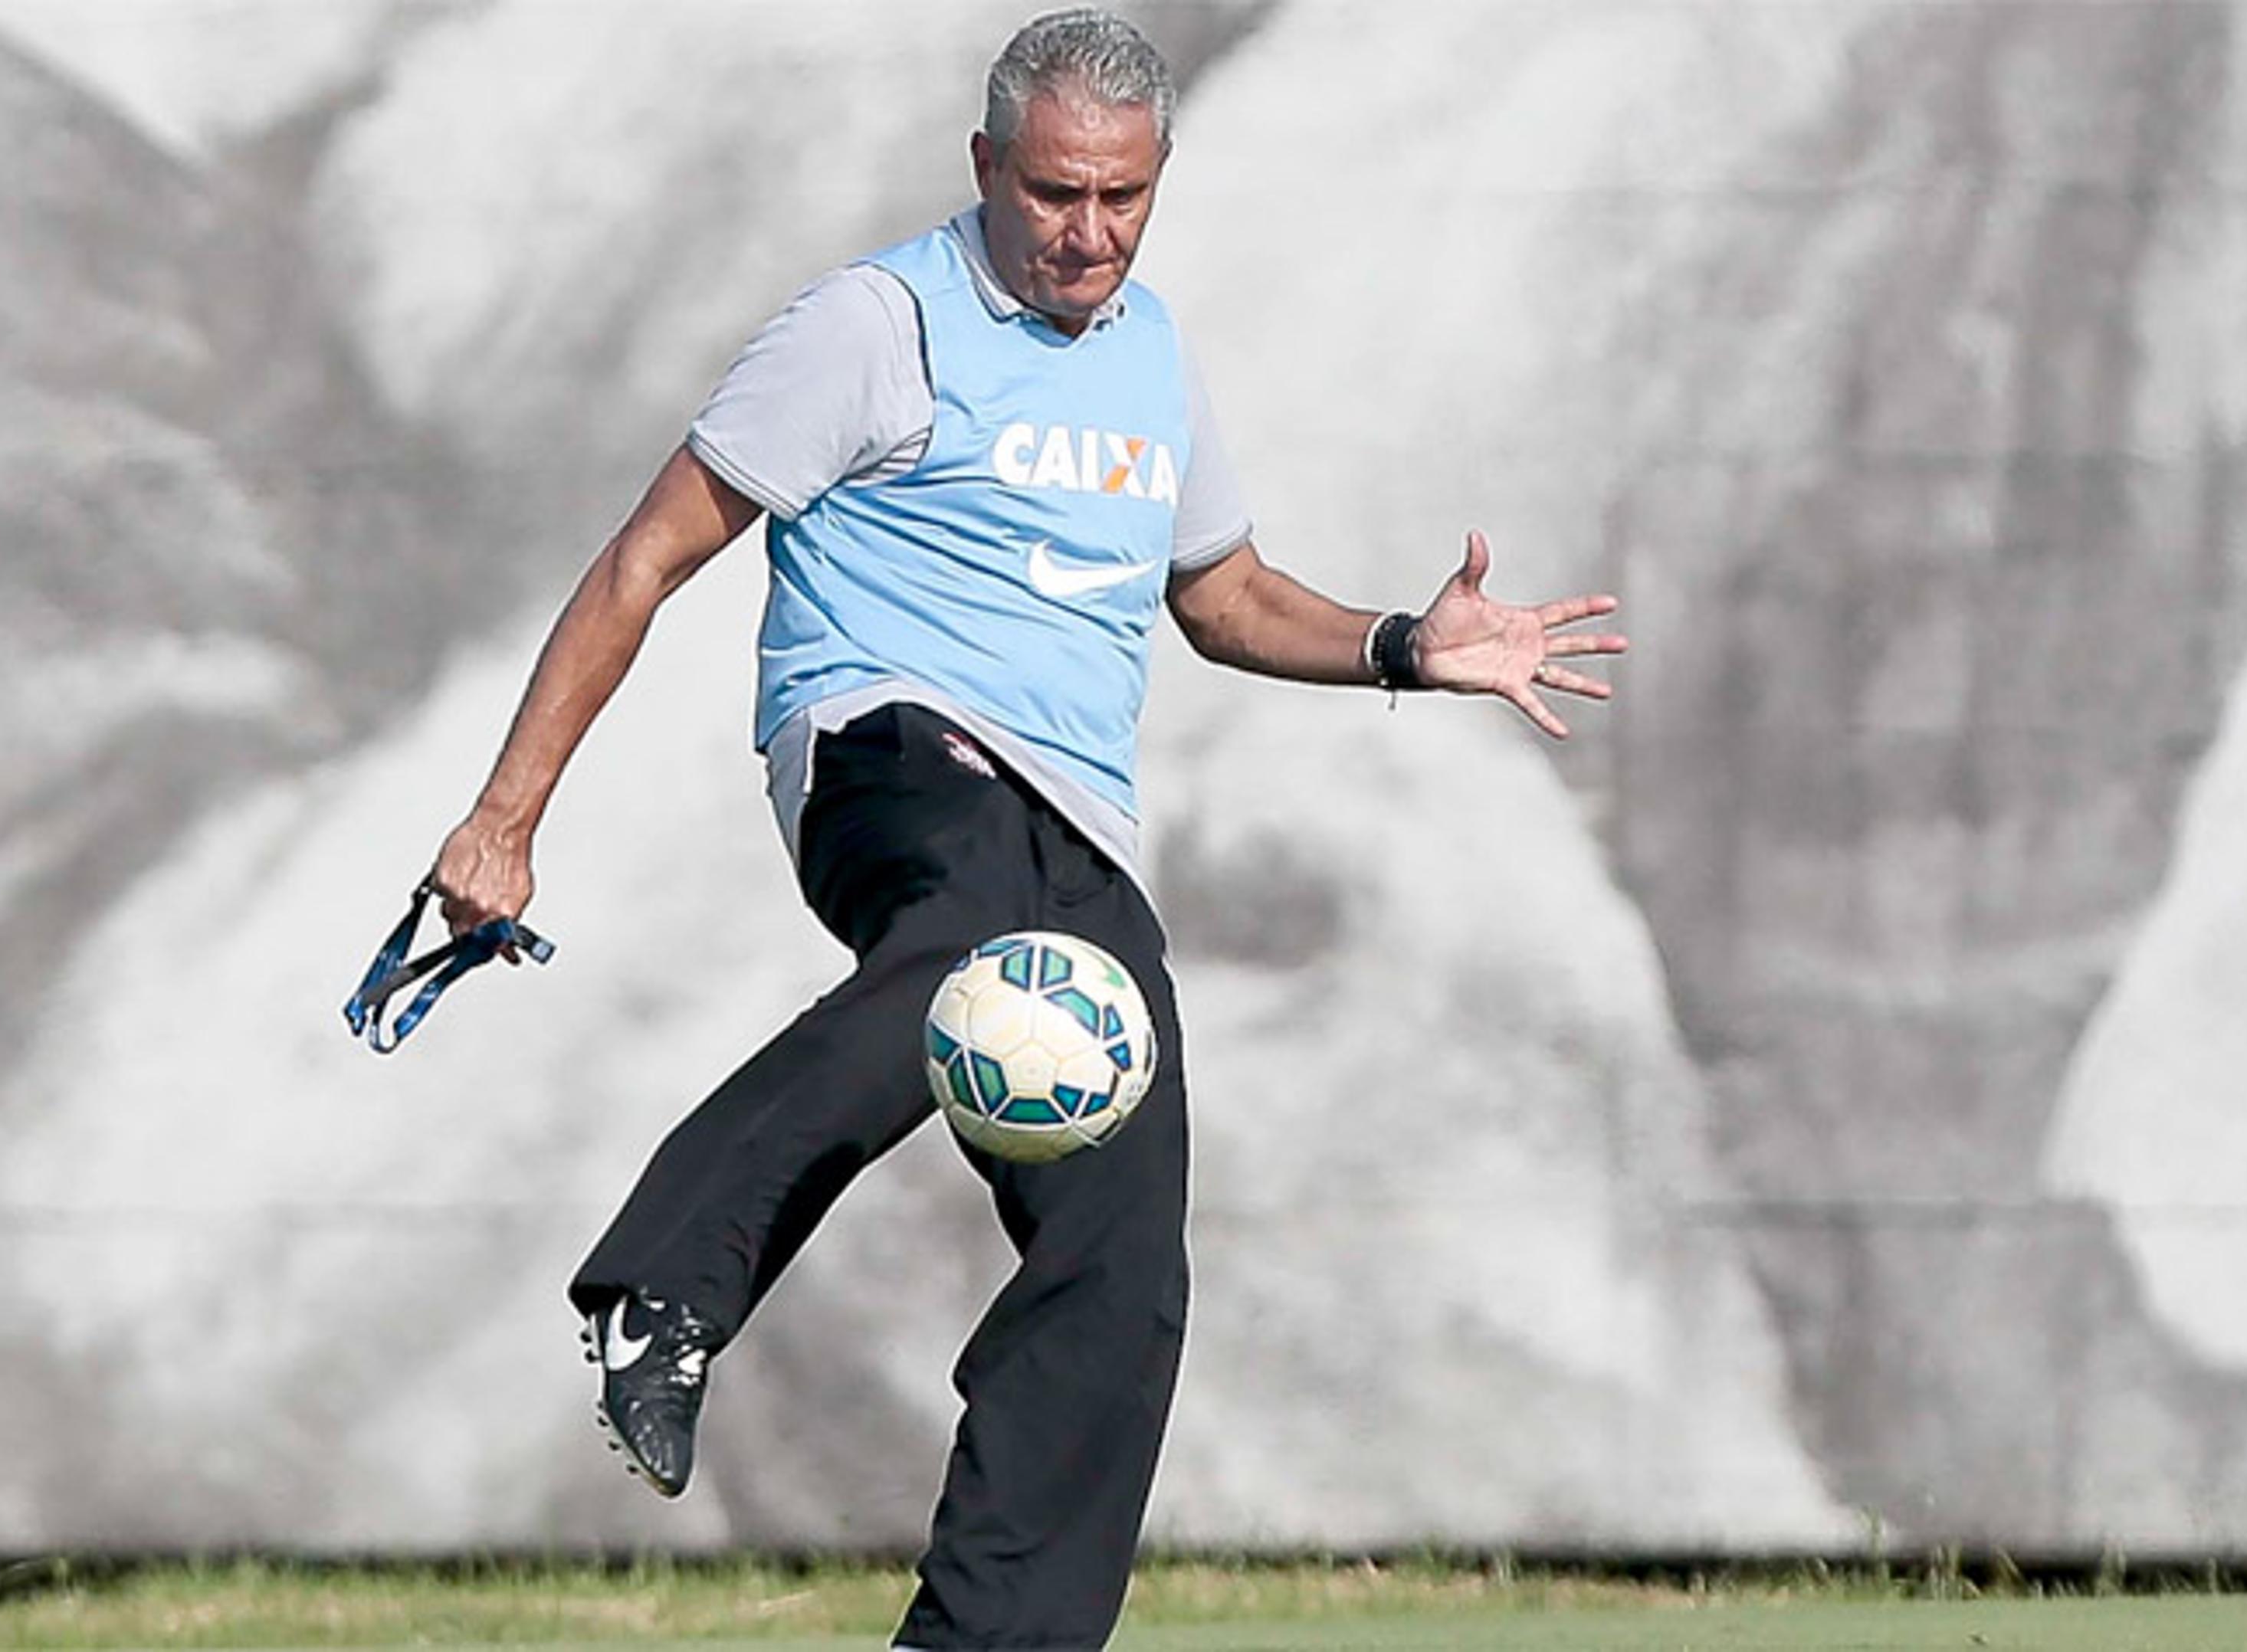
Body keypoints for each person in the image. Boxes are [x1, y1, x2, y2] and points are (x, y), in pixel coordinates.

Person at [422, 9, 1625, 1647]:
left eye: (1124, 198)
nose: (1089, 233)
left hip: (1084, 832)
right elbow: (647, 558)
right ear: (986, 166)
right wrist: (504, 817)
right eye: (1056, 193)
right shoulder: (874, 324)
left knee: (1123, 1272)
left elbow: (1225, 595)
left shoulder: (1153, 353)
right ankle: (669, 1278)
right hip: (888, 749)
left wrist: (1406, 647)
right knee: (967, 925)